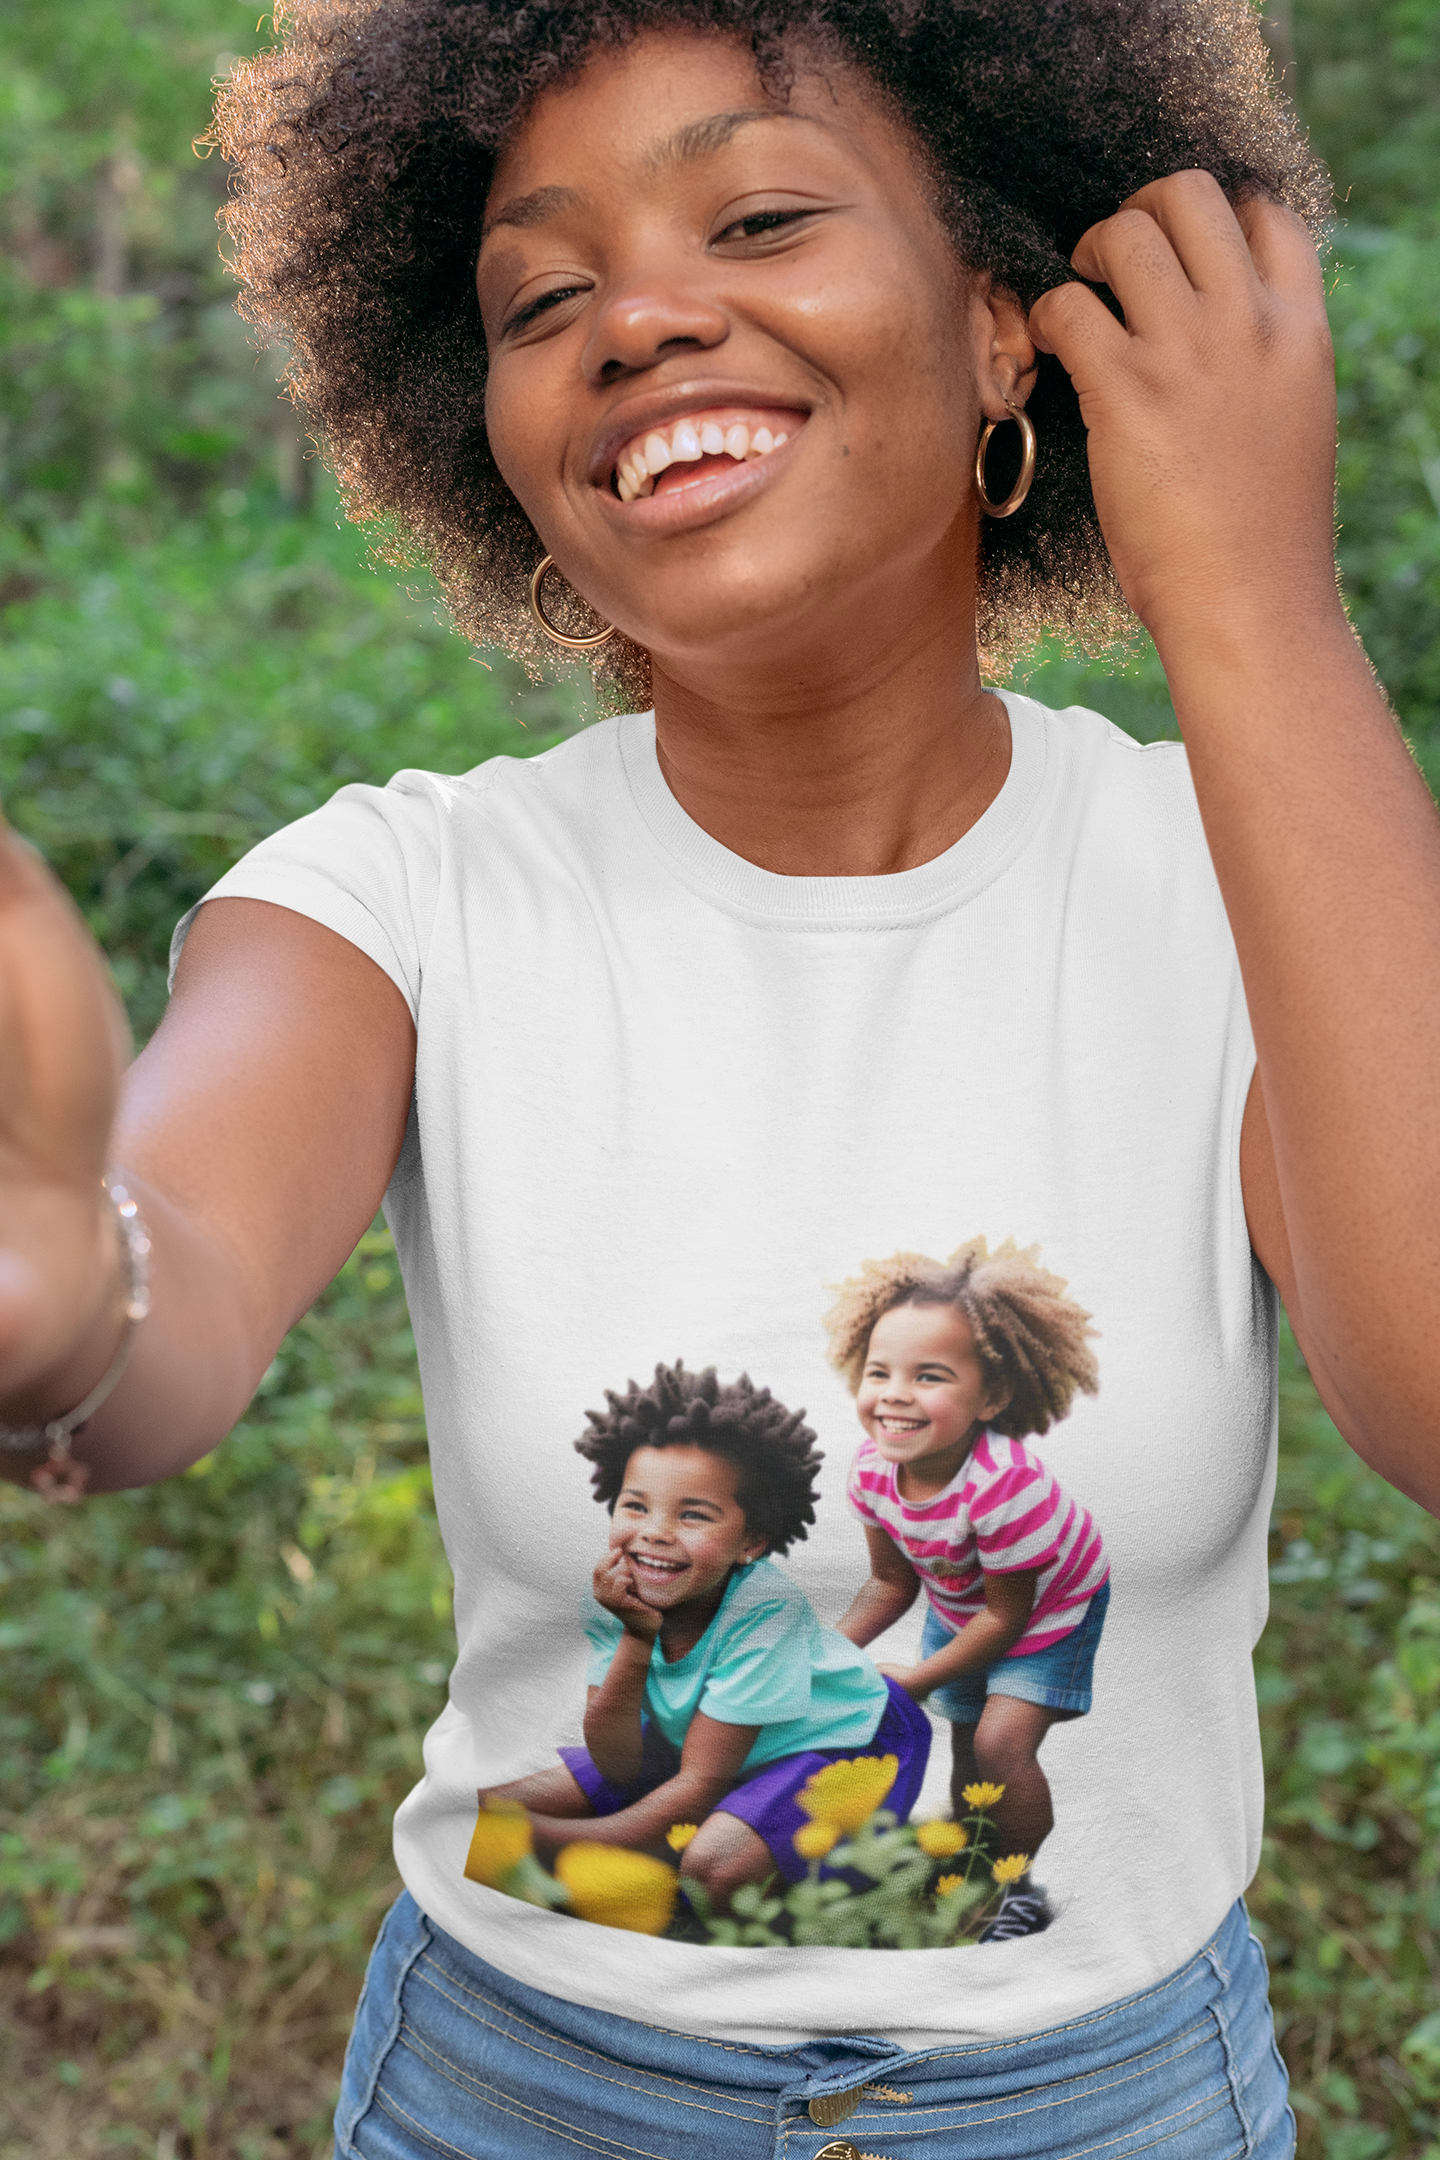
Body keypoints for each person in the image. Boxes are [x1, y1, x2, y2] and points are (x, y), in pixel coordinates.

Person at [2, 0, 1439, 2150]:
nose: (640, 318)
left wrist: (1248, 598)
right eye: (542, 294)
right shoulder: (399, 894)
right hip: (521, 2087)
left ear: (996, 328)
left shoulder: (1243, 877)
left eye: (756, 212)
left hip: (1109, 2097)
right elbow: (174, 1277)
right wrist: (65, 1293)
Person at [481, 1361, 931, 1903]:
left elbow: (698, 1782)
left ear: (752, 1542)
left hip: (843, 1745)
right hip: (695, 1736)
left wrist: (559, 1842)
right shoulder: (616, 1594)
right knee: (495, 1806)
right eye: (635, 1505)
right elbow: (617, 1763)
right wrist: (636, 1635)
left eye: (692, 1515)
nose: (653, 1533)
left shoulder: (766, 1608)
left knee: (711, 1869)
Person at [829, 1238, 1109, 1935]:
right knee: (965, 1742)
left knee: (1001, 1744)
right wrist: (823, 1652)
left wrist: (915, 1679)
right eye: (879, 1372)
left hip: (1049, 1611)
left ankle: (1015, 1889)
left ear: (993, 1396)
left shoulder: (1003, 1488)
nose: (894, 1394)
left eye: (929, 1376)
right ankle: (972, 1866)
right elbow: (890, 1583)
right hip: (963, 1605)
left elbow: (1006, 1621)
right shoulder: (871, 1473)